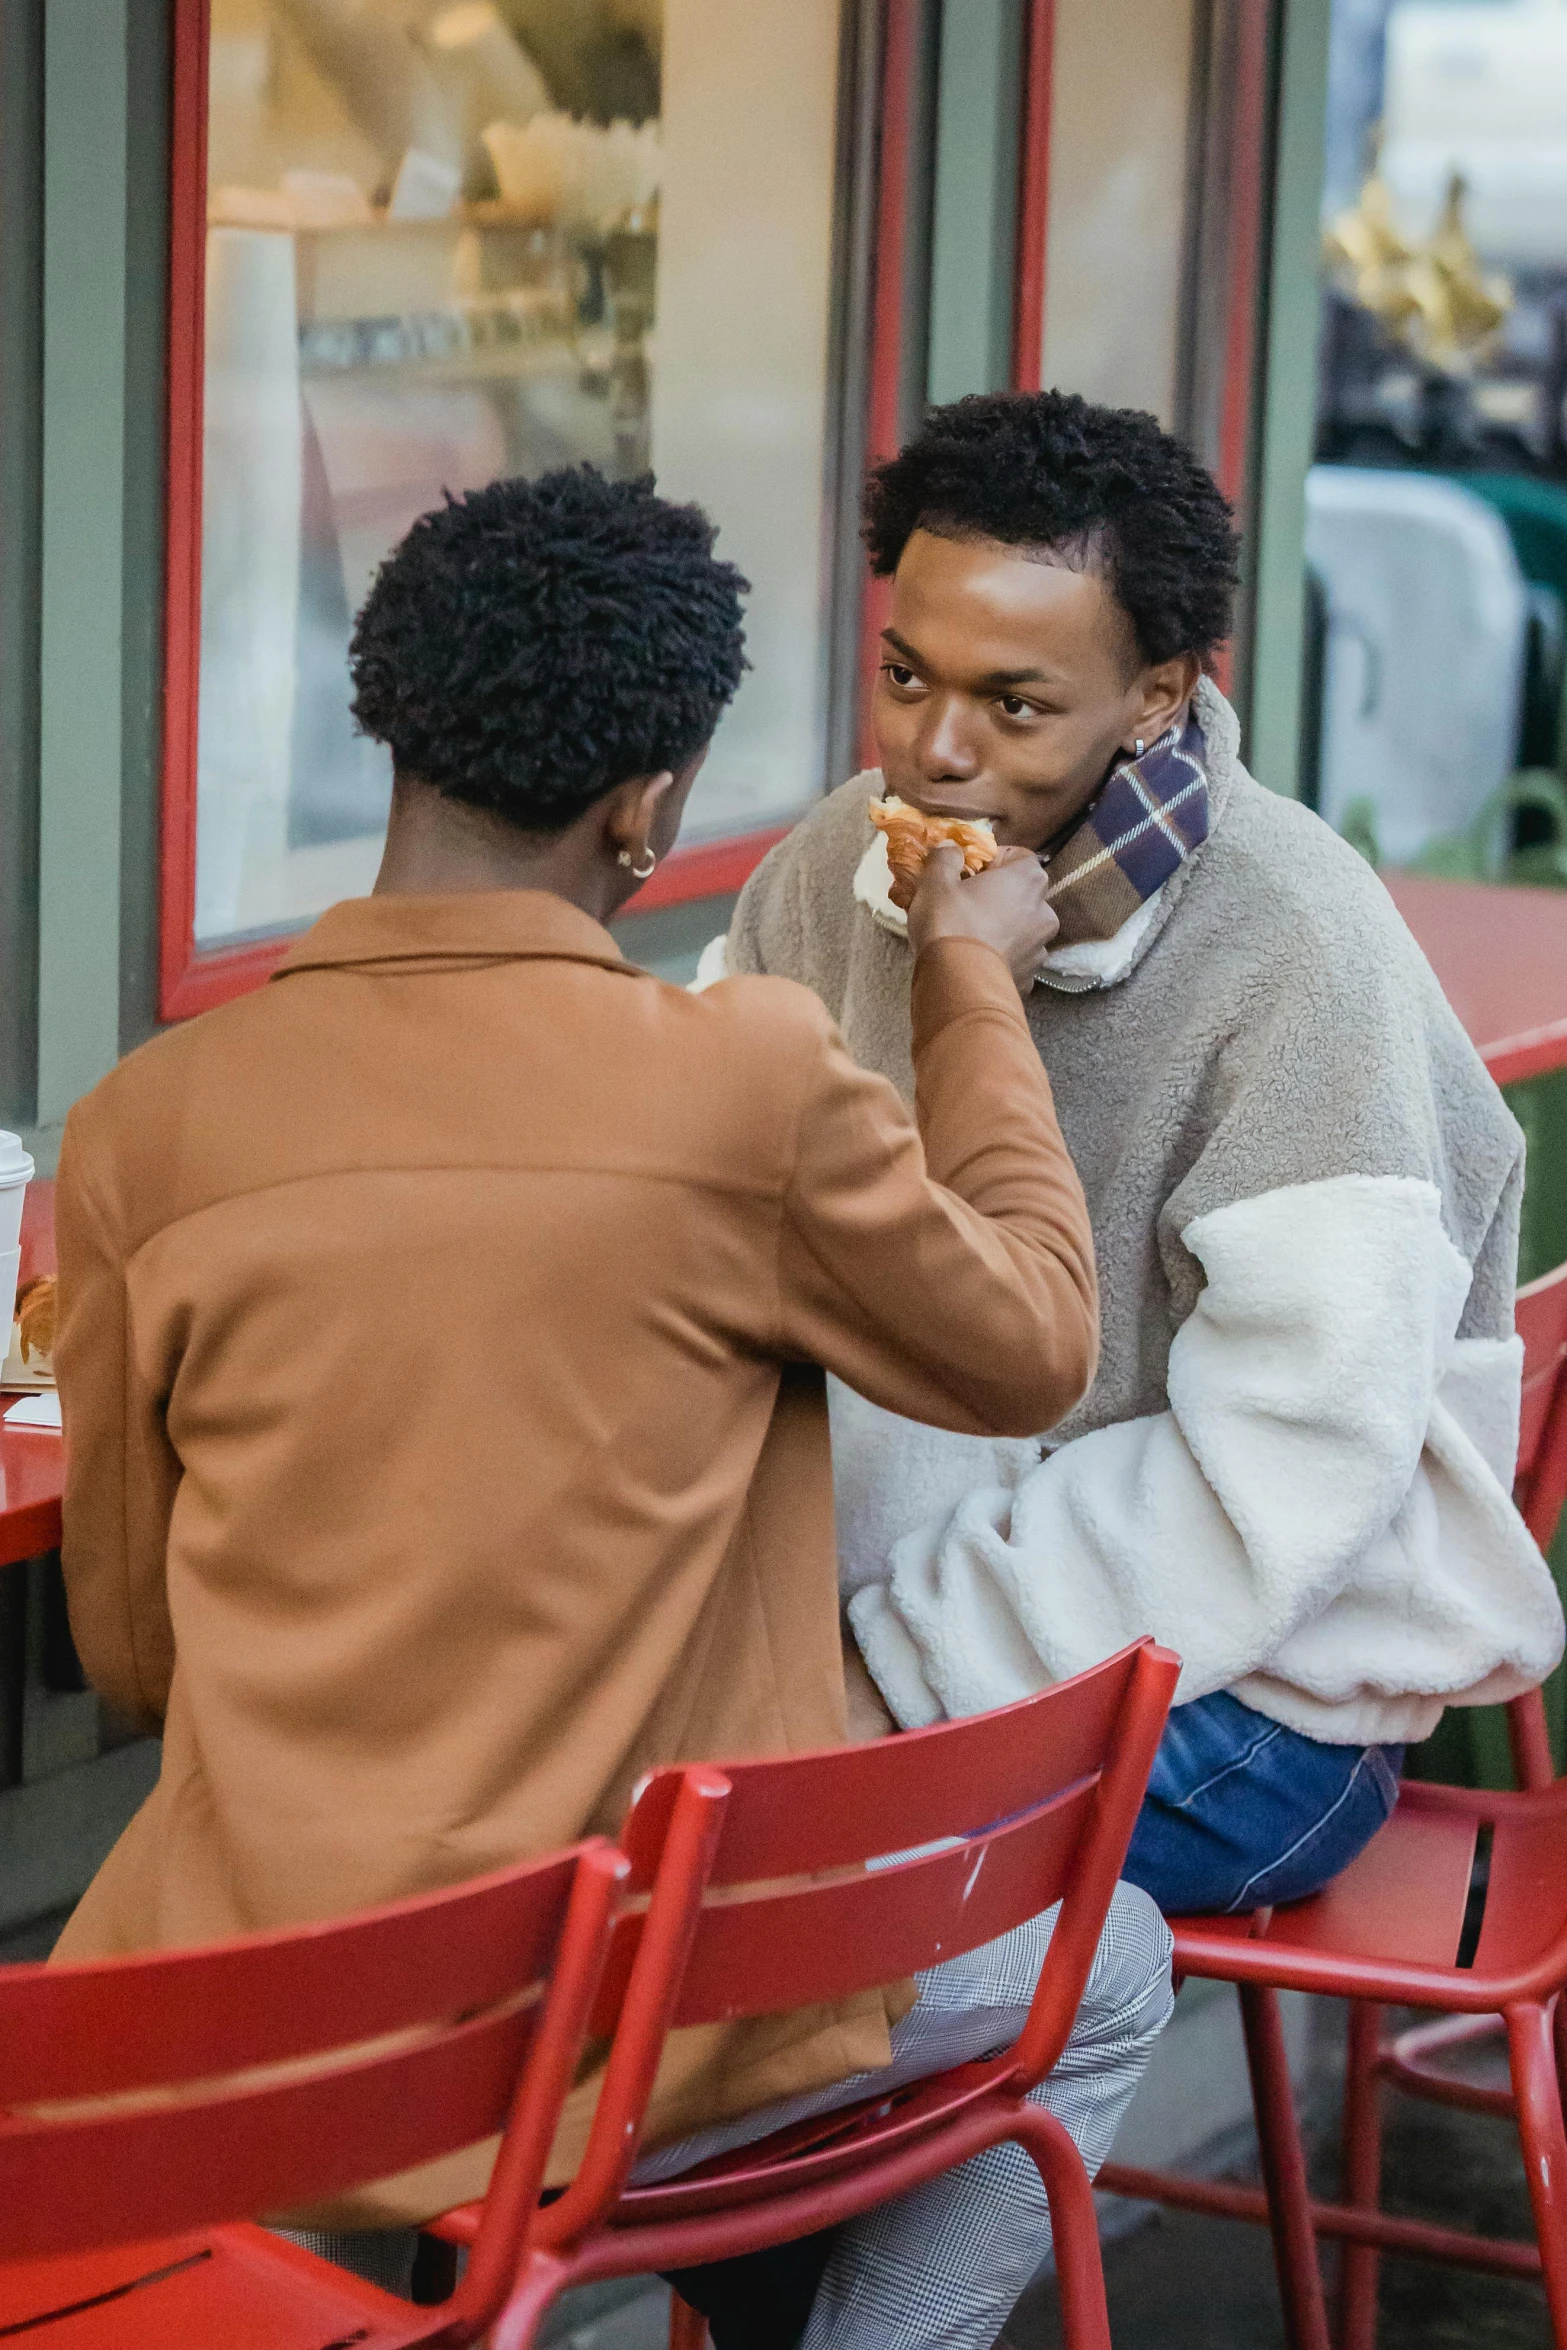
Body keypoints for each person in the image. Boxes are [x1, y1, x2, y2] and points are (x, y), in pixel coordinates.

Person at [51, 467, 1172, 2347]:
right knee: (1118, 1957)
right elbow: (1035, 1335)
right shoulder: (741, 1087)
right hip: (623, 2032)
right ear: (650, 802)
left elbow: (138, 1654)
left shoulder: (138, 1131)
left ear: (385, 720)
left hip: (240, 2039)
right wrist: (972, 983)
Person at [711, 390, 1565, 1920]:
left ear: (1157, 694)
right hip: (899, 1631)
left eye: (1013, 704)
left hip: (1263, 1693)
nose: (933, 748)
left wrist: (890, 1675)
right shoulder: (833, 863)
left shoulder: (1294, 948)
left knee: (771, 1910)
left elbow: (1284, 1469)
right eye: (904, 676)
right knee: (616, 1854)